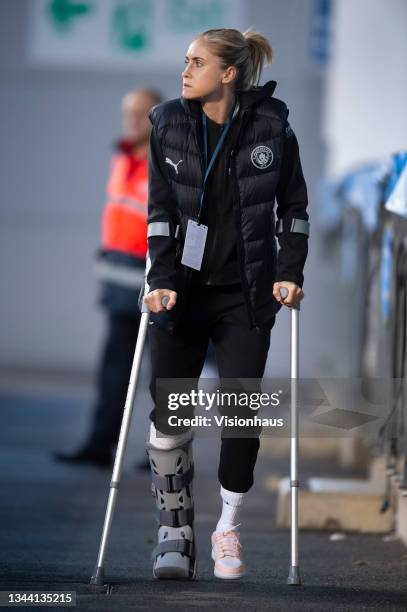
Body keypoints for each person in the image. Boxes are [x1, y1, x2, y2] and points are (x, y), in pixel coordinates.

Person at [143, 28, 309, 580]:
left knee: (240, 417)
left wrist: (288, 273)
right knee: (171, 411)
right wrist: (162, 277)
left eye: (197, 62)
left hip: (246, 294)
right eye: (185, 61)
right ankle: (174, 528)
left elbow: (293, 209)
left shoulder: (273, 126)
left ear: (229, 73)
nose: (185, 70)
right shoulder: (167, 123)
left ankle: (226, 527)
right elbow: (161, 212)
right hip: (182, 291)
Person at [54, 88, 163, 470]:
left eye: (140, 113)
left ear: (156, 117)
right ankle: (101, 444)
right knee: (114, 369)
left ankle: (164, 454)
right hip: (119, 284)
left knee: (165, 373)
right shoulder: (122, 156)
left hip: (155, 283)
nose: (131, 120)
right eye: (127, 113)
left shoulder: (166, 161)